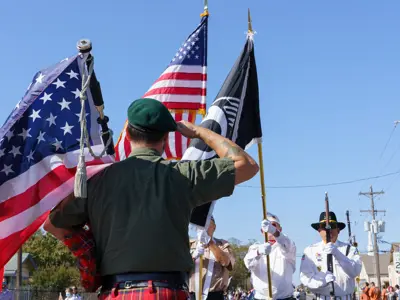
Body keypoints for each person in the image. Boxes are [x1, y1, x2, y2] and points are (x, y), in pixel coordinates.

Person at [44, 98, 259, 300]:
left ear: (127, 134)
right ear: (166, 138)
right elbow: (247, 165)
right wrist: (200, 132)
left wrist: (90, 253)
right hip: (169, 292)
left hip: (115, 292)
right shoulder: (183, 174)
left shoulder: (97, 181)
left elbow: (53, 225)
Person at [299, 211, 362, 300]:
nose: (328, 230)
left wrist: (338, 254)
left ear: (338, 230)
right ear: (319, 230)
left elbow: (355, 271)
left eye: (332, 226)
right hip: (322, 298)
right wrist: (321, 281)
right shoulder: (310, 251)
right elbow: (305, 278)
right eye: (324, 227)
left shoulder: (349, 249)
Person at [244, 213, 296, 300]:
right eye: (267, 226)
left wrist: (274, 232)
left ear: (280, 229)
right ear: (262, 231)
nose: (270, 228)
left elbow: (286, 245)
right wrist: (258, 252)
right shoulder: (255, 248)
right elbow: (248, 263)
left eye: (274, 225)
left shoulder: (288, 246)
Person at [189, 216, 235, 300]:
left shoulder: (223, 245)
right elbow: (181, 267)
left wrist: (209, 242)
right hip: (193, 294)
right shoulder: (189, 245)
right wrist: (193, 256)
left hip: (215, 295)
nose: (204, 227)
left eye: (208, 224)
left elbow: (226, 262)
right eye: (201, 225)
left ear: (214, 227)